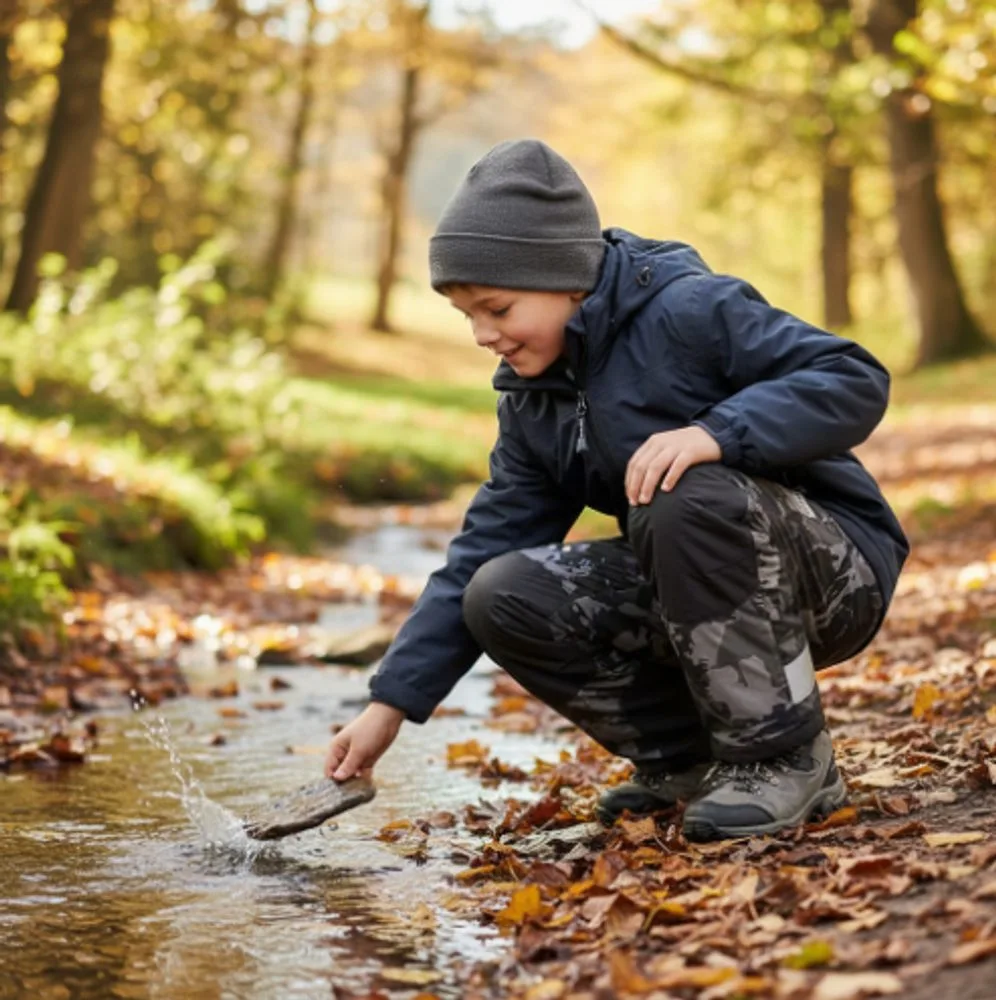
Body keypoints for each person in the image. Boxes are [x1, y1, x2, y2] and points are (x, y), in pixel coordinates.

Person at [324, 139, 909, 841]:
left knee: (681, 488)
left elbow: (852, 377)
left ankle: (783, 755)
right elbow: (482, 548)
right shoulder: (534, 400)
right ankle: (687, 761)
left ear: (565, 277)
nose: (483, 334)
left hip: (832, 570)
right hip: (701, 587)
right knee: (500, 589)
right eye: (468, 316)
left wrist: (717, 432)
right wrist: (389, 704)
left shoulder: (689, 311)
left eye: (498, 308)